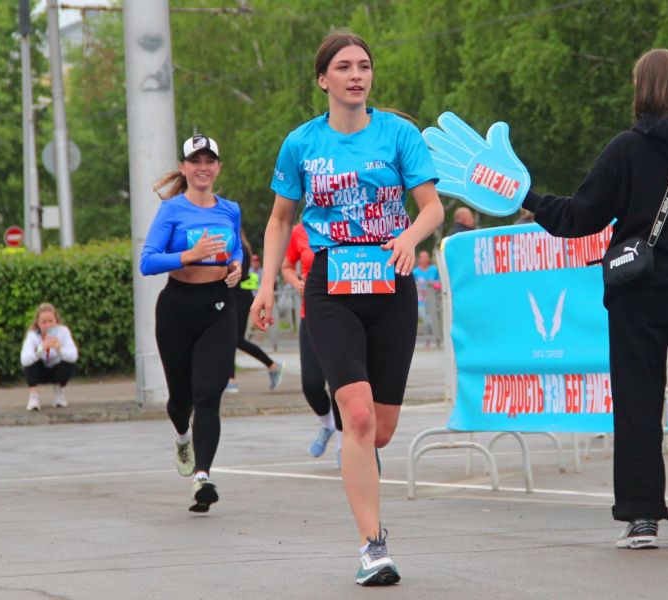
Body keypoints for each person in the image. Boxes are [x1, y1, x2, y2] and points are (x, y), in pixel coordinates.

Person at [522, 49, 668, 549]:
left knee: (638, 402)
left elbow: (580, 216)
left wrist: (529, 197)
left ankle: (642, 518)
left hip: (638, 294)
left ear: (640, 89)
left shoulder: (625, 150)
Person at [250, 31, 443, 586]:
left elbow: (431, 208)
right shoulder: (301, 143)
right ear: (323, 79)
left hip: (392, 280)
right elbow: (280, 220)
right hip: (331, 285)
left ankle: (358, 450)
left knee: (379, 430)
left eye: (363, 66)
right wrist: (266, 286)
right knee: (356, 417)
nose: (356, 75)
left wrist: (408, 237)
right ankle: (372, 546)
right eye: (343, 67)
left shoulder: (399, 134)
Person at [139, 133, 243, 513]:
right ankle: (182, 436)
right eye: (195, 161)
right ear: (183, 168)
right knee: (181, 399)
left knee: (208, 395)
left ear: (218, 167)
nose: (203, 167)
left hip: (218, 306)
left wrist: (236, 266)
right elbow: (147, 262)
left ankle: (203, 477)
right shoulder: (171, 210)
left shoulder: (230, 209)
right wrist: (188, 255)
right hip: (176, 309)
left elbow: (234, 249)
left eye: (209, 161)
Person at [281, 222, 343, 461]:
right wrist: (297, 283)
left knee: (341, 384)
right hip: (311, 314)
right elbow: (287, 266)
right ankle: (327, 424)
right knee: (311, 384)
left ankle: (345, 443)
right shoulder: (300, 230)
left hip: (344, 313)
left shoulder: (347, 224)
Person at [226, 228, 284, 394]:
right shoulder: (240, 247)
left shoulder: (240, 249)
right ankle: (270, 366)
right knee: (232, 339)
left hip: (239, 299)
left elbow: (238, 274)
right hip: (236, 298)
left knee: (234, 339)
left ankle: (233, 378)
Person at [20, 303, 78, 411]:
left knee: (70, 363)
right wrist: (40, 350)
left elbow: (73, 355)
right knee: (29, 363)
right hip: (40, 371)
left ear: (56, 321)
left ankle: (59, 391)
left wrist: (60, 350)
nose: (48, 325)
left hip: (56, 369)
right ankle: (33, 396)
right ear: (38, 323)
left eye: (51, 321)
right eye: (44, 322)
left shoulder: (63, 331)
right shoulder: (32, 335)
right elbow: (24, 359)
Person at [411, 249, 440, 339]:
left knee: (433, 319)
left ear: (428, 258)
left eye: (426, 256)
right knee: (425, 318)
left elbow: (439, 283)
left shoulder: (434, 270)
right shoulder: (415, 272)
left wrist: (434, 284)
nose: (424, 259)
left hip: (433, 299)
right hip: (421, 300)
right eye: (422, 257)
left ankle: (433, 339)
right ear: (419, 259)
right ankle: (429, 338)